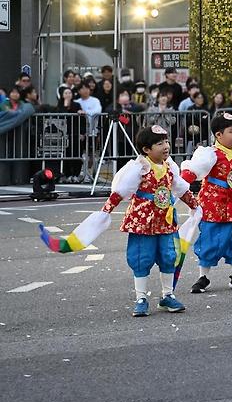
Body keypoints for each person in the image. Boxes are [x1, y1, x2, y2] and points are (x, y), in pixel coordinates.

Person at [42, 125, 198, 316]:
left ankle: (168, 295)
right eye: (160, 143)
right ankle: (141, 298)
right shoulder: (139, 168)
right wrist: (106, 211)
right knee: (142, 258)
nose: (166, 146)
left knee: (168, 257)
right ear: (146, 149)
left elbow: (181, 189)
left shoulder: (170, 167)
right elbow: (121, 191)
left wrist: (195, 206)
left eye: (166, 142)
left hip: (165, 221)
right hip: (142, 222)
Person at [180, 112, 232, 293]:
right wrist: (180, 187)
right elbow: (192, 171)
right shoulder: (209, 154)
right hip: (213, 204)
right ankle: (203, 277)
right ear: (218, 135)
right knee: (210, 240)